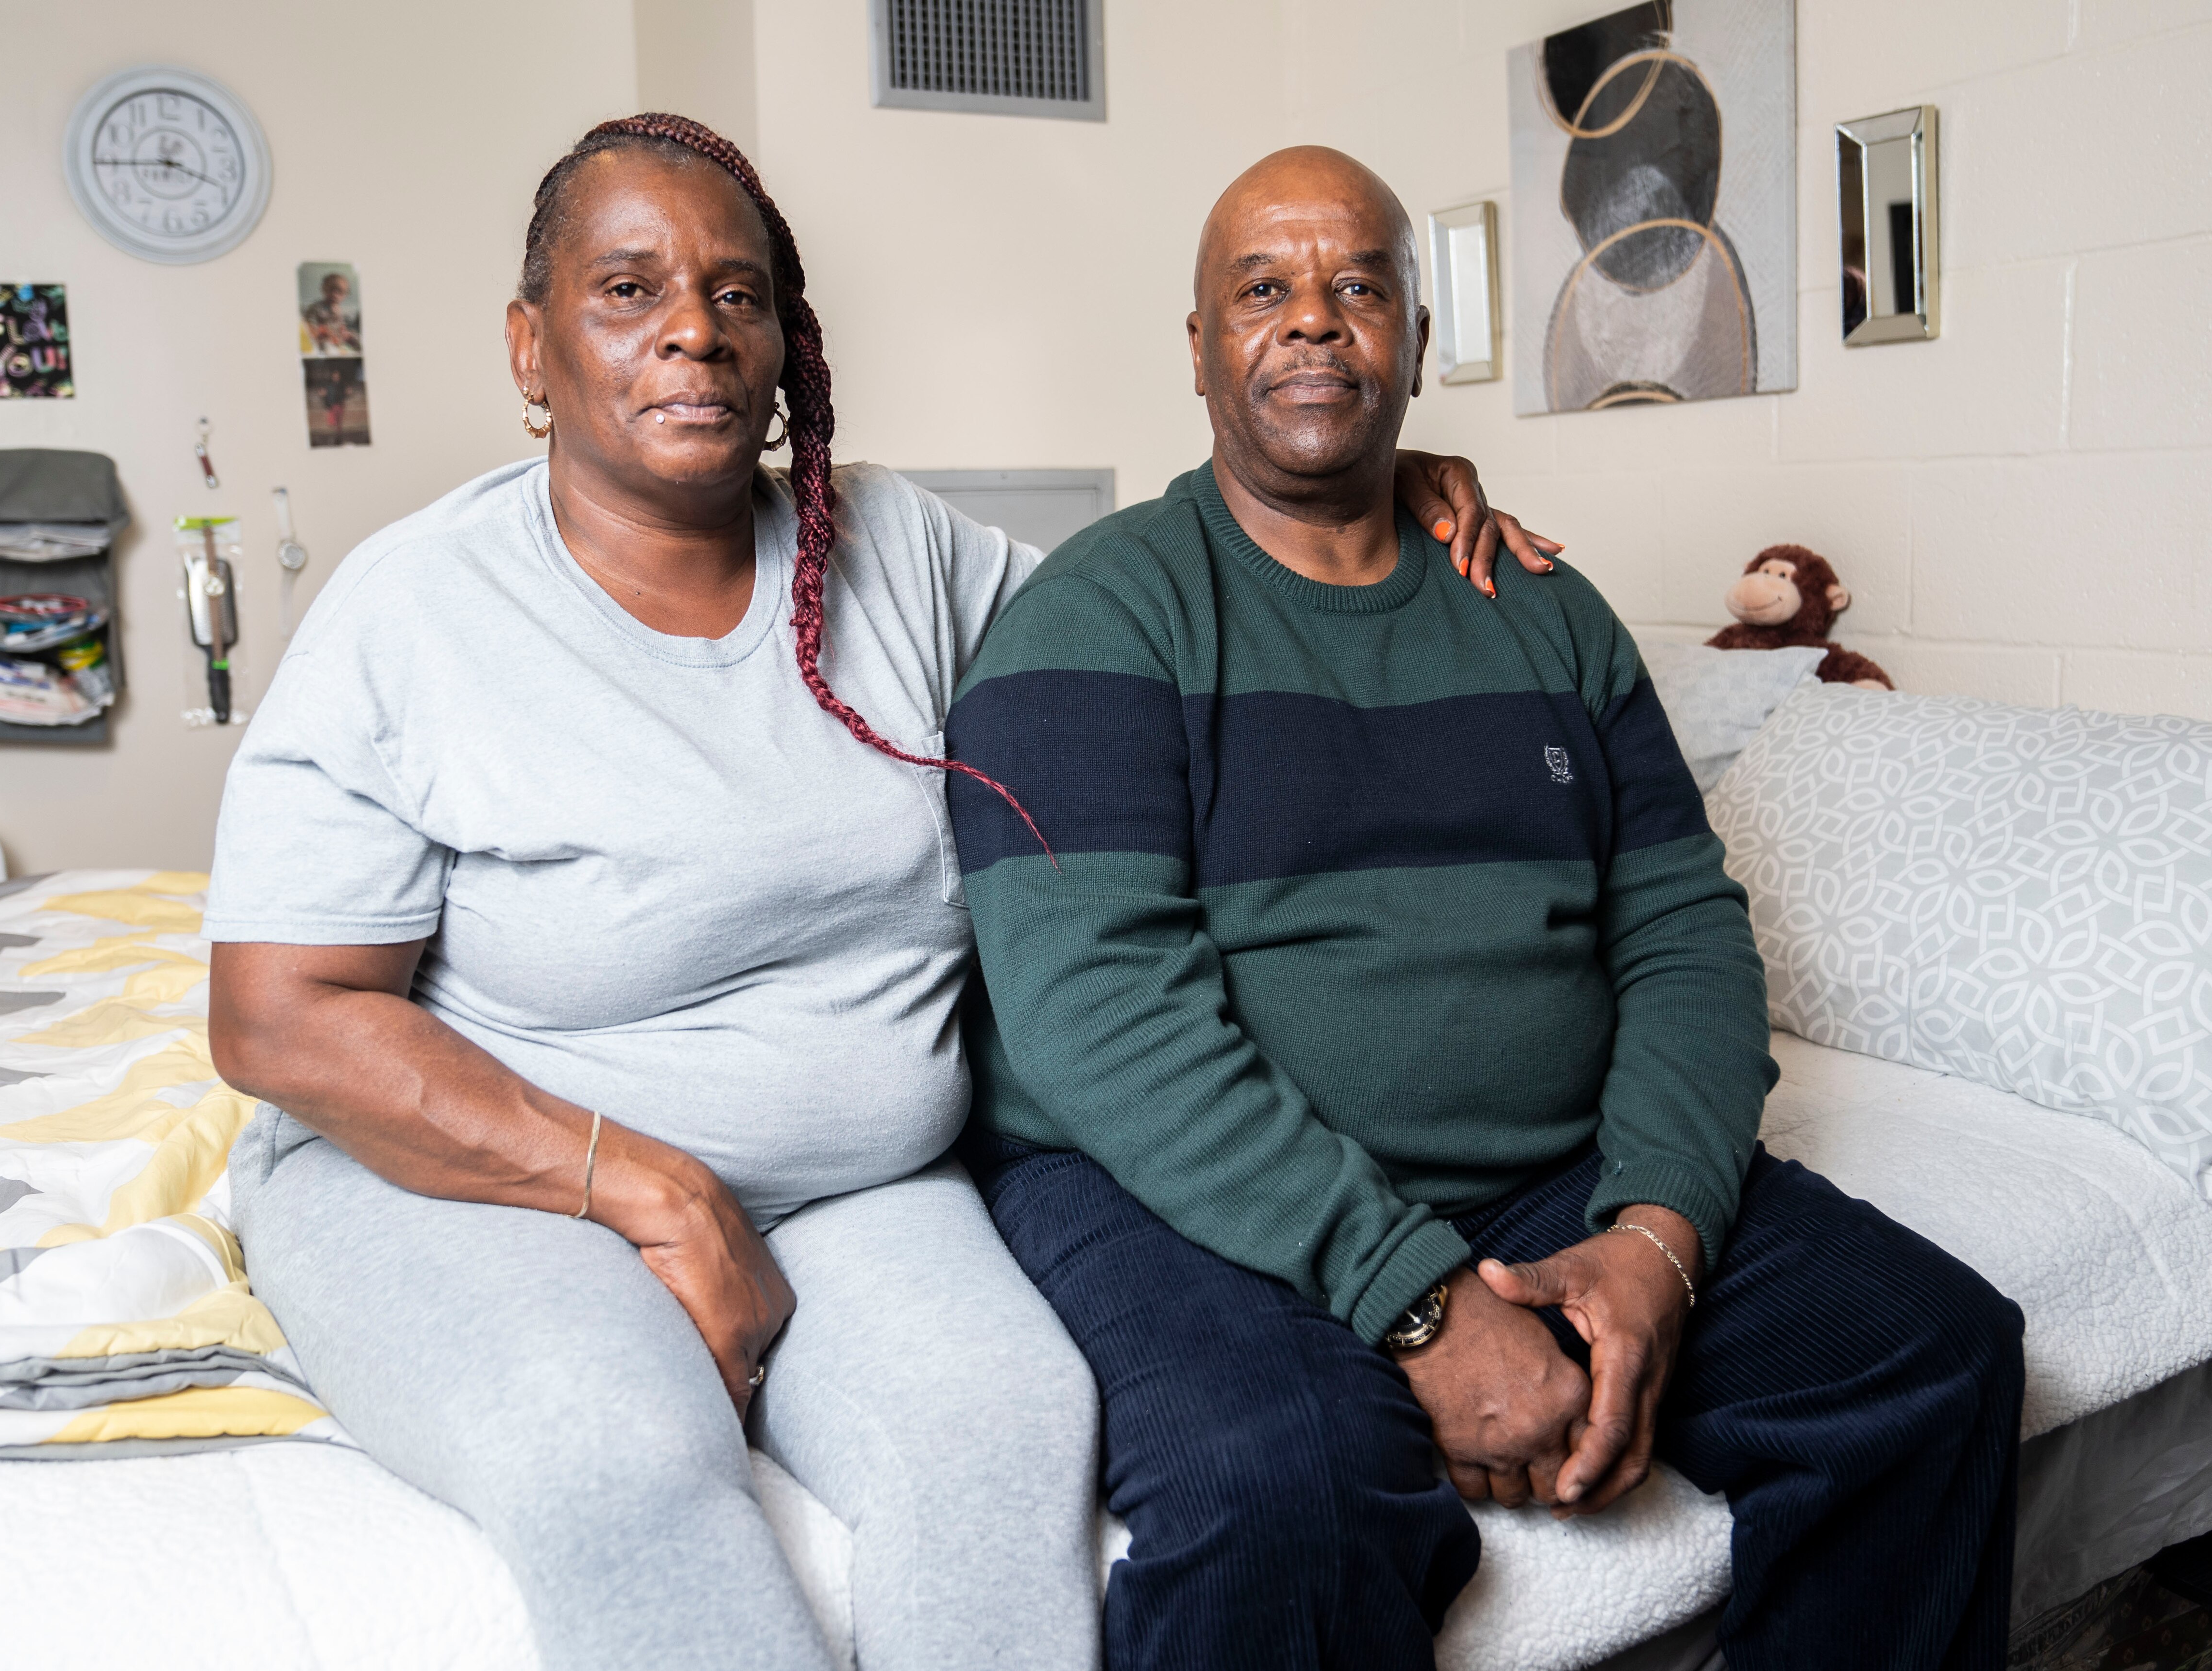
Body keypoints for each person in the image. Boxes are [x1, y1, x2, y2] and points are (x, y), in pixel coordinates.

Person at [205, 115, 1547, 1671]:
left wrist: (1363, 487)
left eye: (737, 292)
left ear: (785, 342)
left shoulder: (901, 554)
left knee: (1008, 1430)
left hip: (862, 1189)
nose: (694, 330)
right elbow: (280, 1016)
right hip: (475, 1174)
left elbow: (1164, 626)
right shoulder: (412, 611)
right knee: (619, 1463)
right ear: (532, 343)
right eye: (629, 290)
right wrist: (651, 1186)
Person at [945, 145, 2027, 1671]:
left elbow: (1683, 936)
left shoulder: (1547, 613)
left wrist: (1657, 1234)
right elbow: (1097, 1018)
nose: (1314, 322)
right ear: (1197, 348)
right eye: (1263, 290)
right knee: (1285, 1492)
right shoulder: (1097, 615)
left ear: (1415, 341)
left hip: (1542, 1172)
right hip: (1180, 1194)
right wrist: (1423, 1305)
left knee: (1935, 1354)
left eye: (1360, 286)